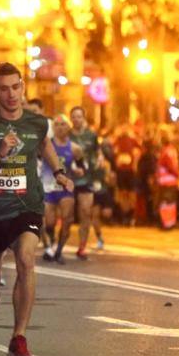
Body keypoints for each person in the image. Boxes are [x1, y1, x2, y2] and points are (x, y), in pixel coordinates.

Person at [0, 63, 73, 356]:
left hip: (27, 205)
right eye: (4, 89)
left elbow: (45, 146)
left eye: (16, 87)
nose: (11, 94)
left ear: (23, 87)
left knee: (26, 259)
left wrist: (60, 172)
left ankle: (19, 336)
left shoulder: (37, 123)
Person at [41, 114, 83, 264]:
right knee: (49, 223)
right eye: (57, 124)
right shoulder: (45, 146)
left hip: (66, 188)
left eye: (63, 124)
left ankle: (58, 250)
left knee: (67, 220)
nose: (60, 127)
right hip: (48, 187)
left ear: (69, 127)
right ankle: (52, 241)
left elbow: (81, 166)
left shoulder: (75, 148)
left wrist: (79, 171)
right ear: (53, 128)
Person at [69, 106, 99, 259]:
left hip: (86, 179)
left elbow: (97, 155)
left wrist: (97, 171)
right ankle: (59, 243)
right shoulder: (66, 135)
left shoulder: (91, 135)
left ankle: (82, 247)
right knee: (66, 216)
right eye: (73, 116)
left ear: (84, 118)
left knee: (86, 213)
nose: (76, 119)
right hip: (69, 180)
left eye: (79, 116)